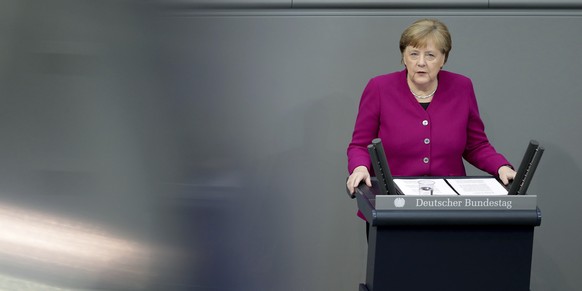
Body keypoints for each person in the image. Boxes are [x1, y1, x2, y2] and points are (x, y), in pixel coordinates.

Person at [346, 19, 516, 206]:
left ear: (444, 59)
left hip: (449, 205)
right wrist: (359, 168)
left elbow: (476, 145)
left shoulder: (462, 87)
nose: (421, 63)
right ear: (403, 56)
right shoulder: (379, 88)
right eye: (413, 54)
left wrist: (501, 166)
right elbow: (360, 145)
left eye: (430, 55)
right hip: (393, 202)